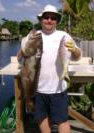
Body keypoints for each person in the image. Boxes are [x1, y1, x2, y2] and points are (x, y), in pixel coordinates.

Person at [19, 4, 82, 133]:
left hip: (58, 88)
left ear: (57, 21)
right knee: (41, 119)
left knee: (62, 120)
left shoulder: (63, 35)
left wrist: (74, 49)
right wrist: (24, 48)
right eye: (46, 17)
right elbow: (20, 57)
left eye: (53, 18)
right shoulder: (34, 36)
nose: (49, 20)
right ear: (41, 19)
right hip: (38, 89)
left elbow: (78, 56)